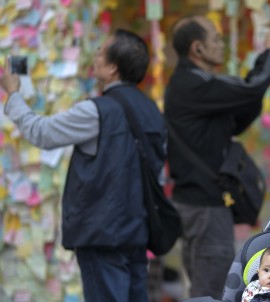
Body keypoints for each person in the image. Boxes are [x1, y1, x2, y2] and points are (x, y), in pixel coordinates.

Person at [0, 29, 167, 302]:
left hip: (102, 234)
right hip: (138, 230)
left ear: (112, 68)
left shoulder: (97, 110)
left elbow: (41, 132)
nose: (95, 57)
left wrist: (14, 94)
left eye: (101, 52)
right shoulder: (152, 111)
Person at [164, 15, 270, 298]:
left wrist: (253, 89)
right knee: (213, 292)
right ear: (198, 49)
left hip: (197, 205)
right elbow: (251, 88)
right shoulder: (194, 84)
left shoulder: (192, 84)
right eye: (216, 39)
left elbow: (238, 115)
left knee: (204, 289)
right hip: (206, 208)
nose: (221, 45)